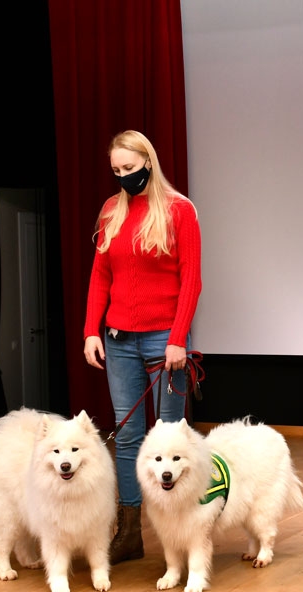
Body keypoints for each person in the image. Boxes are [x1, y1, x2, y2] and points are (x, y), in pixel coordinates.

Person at [83, 130, 202, 565]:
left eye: (129, 169)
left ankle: (182, 532)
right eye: (116, 170)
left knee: (172, 439)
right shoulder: (112, 210)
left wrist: (177, 339)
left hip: (162, 338)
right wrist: (90, 331)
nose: (123, 177)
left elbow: (191, 279)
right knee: (129, 434)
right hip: (118, 339)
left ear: (147, 163)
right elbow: (101, 276)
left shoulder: (179, 210)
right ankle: (129, 532)